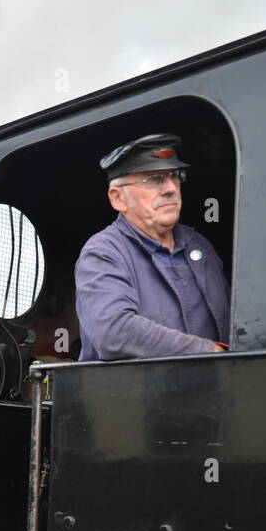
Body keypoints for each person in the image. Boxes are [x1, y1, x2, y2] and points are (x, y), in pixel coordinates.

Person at [74, 133, 231, 361]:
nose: (170, 188)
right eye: (153, 179)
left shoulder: (200, 246)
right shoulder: (103, 252)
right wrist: (211, 353)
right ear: (118, 199)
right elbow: (115, 333)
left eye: (174, 176)